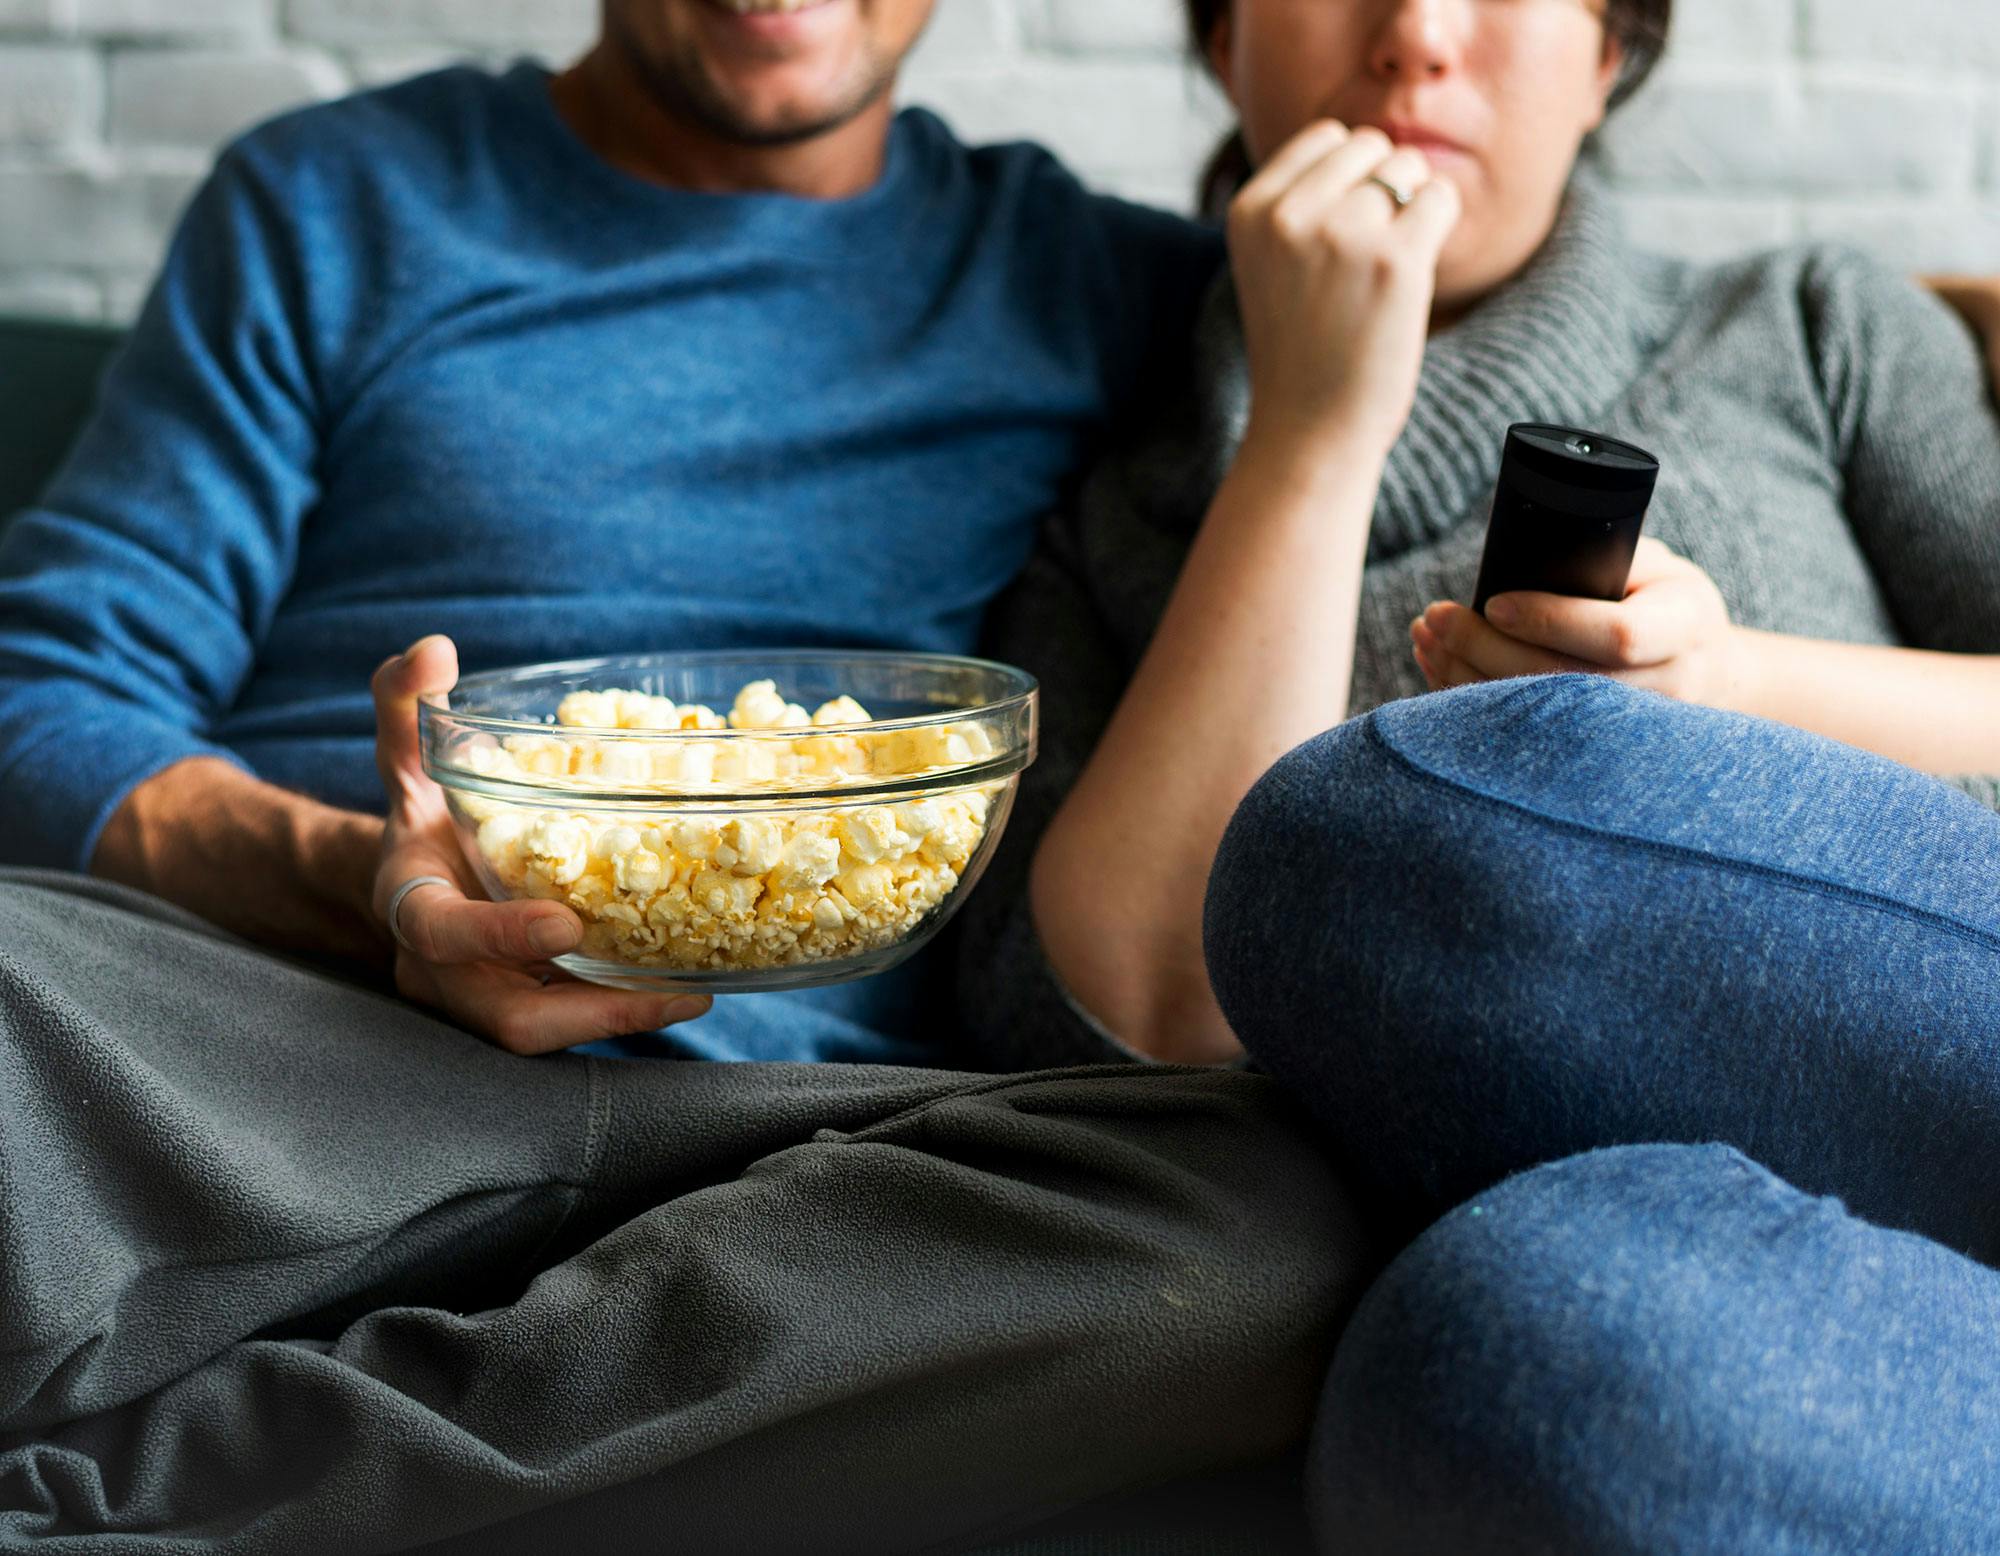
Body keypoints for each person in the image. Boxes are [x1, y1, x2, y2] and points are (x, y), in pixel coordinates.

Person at [0, 4, 1365, 1546]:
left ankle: (159, 1494)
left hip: (797, 1148)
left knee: (1276, 1235)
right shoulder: (337, 202)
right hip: (290, 1055)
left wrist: (1699, 648)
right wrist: (371, 889)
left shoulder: (1089, 281)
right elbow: (45, 694)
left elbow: (1474, 317)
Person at [955, 0, 2000, 1547]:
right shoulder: (1116, 513)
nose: (1418, 35)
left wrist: (1733, 686)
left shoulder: (1804, 325)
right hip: (1726, 1287)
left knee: (1384, 837)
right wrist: (1314, 436)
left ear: (1613, 52)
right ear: (1224, 40)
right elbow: (1145, 1032)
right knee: (1509, 1364)